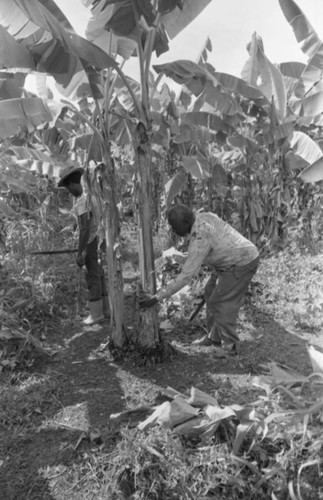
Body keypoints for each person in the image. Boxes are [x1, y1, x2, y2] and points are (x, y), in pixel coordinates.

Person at [139, 204, 259, 356]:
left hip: (241, 262)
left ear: (185, 224)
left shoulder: (200, 236)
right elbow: (200, 254)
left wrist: (157, 297)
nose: (174, 231)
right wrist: (178, 257)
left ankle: (231, 347)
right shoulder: (203, 218)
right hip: (227, 260)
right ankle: (214, 338)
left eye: (175, 227)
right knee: (210, 291)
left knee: (220, 302)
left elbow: (186, 275)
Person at [58, 165, 109, 325]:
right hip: (99, 237)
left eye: (68, 189)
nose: (69, 192)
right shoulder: (92, 196)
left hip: (91, 241)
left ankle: (96, 315)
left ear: (73, 185)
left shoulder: (82, 201)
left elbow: (85, 229)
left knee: (92, 276)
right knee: (99, 274)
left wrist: (80, 253)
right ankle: (106, 310)